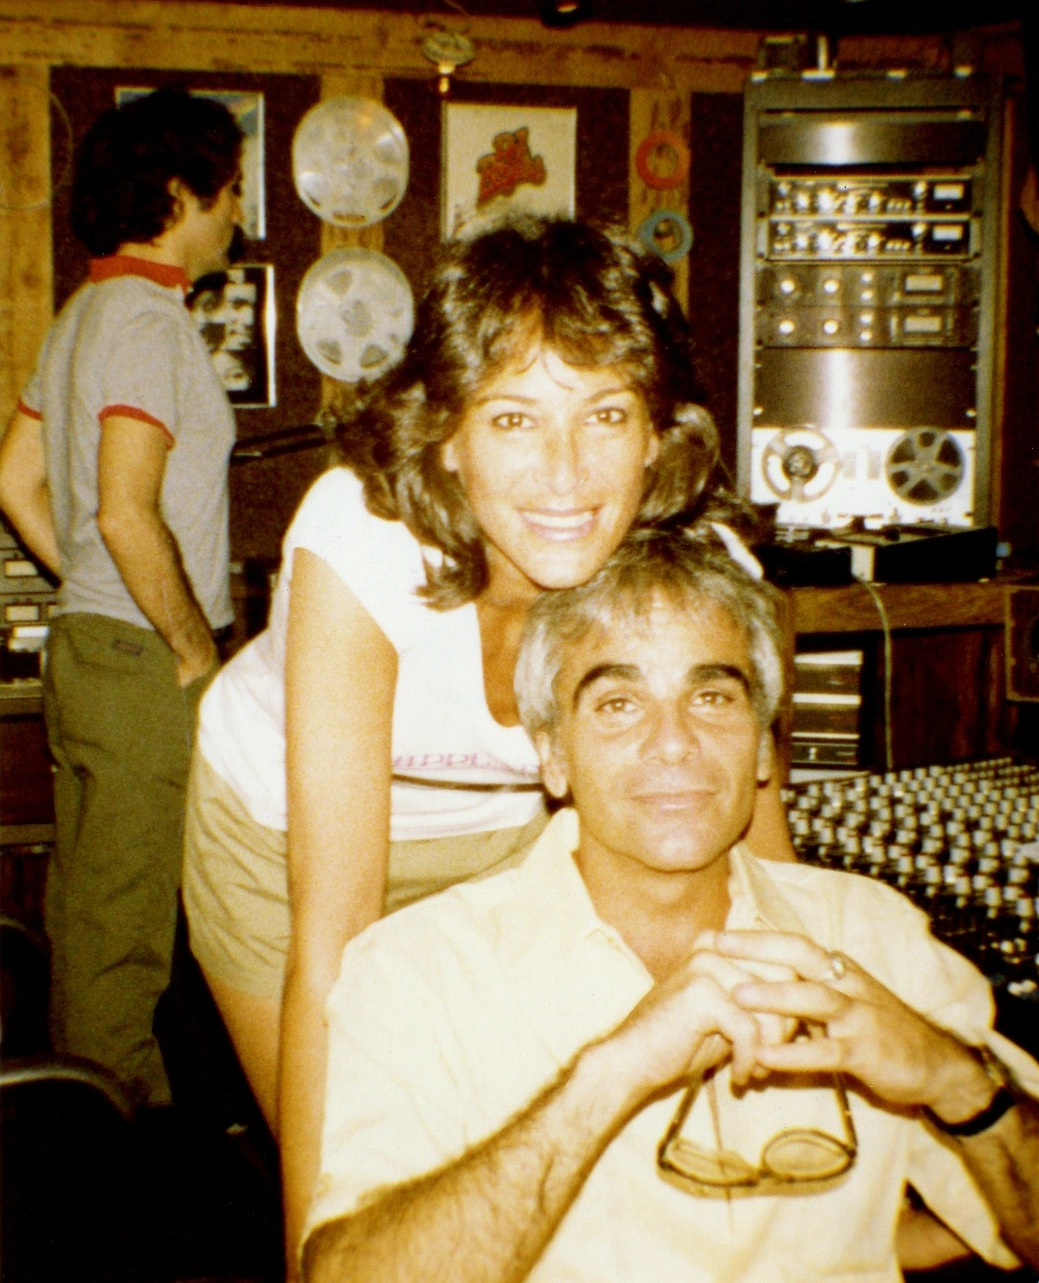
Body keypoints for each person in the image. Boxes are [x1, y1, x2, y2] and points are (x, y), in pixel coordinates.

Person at [181, 216, 797, 1259]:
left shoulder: (700, 570)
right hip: (278, 851)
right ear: (447, 437)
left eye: (606, 414)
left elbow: (767, 879)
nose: (565, 474)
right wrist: (321, 1260)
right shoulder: (360, 540)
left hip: (510, 844)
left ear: (657, 435)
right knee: (391, 1187)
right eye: (513, 418)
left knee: (525, 1175)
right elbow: (337, 939)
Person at [302, 529, 1039, 1283]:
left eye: (711, 697)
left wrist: (959, 1083)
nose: (674, 743)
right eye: (618, 704)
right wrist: (608, 1079)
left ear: (763, 745)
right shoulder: (417, 972)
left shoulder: (873, 935)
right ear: (552, 754)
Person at [0, 85, 243, 1104]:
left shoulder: (82, 314)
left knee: (94, 909)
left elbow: (14, 480)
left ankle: (84, 1131)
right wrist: (194, 648)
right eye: (230, 190)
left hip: (92, 646)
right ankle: (114, 1158)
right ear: (181, 194)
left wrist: (93, 590)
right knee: (125, 939)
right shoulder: (145, 321)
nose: (238, 213)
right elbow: (126, 514)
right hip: (144, 661)